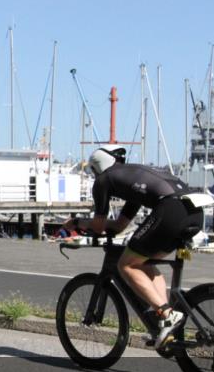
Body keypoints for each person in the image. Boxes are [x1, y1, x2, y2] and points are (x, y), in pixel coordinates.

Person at [64, 145, 204, 349]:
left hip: (171, 209)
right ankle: (165, 321)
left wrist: (75, 223)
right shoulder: (130, 178)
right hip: (194, 210)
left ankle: (167, 314)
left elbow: (99, 226)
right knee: (143, 262)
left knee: (126, 265)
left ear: (96, 168)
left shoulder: (104, 180)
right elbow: (119, 225)